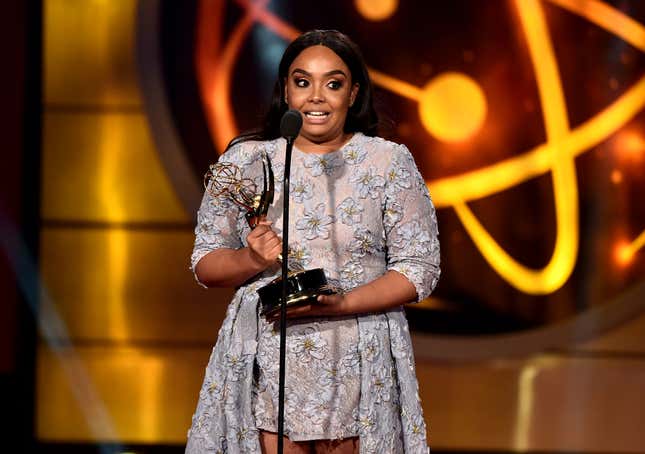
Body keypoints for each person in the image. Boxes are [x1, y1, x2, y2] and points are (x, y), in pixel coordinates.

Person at [186, 29, 440, 454]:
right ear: (285, 90)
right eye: (302, 82)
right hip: (269, 353)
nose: (316, 96)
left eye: (333, 83)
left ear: (353, 93)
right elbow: (205, 264)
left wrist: (340, 304)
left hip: (358, 353)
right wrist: (250, 258)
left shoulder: (387, 162)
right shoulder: (248, 162)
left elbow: (419, 269)